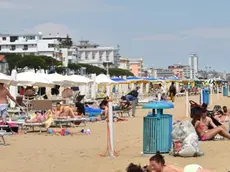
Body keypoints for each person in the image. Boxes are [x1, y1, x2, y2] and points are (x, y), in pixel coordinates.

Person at [147, 151, 212, 172]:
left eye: (154, 165)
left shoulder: (166, 170)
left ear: (160, 163)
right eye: (151, 165)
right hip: (188, 168)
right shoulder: (166, 166)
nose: (152, 167)